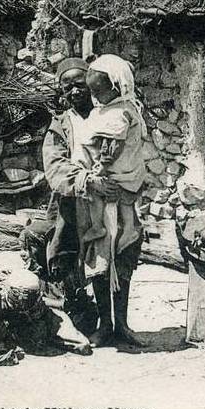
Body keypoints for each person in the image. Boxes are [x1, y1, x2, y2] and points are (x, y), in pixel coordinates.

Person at [34, 57, 116, 337]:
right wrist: (86, 180)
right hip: (73, 201)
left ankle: (112, 323)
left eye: (80, 84)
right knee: (63, 251)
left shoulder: (109, 116)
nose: (74, 91)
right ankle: (78, 306)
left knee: (109, 258)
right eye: (67, 88)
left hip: (109, 199)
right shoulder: (60, 125)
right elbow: (54, 165)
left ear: (91, 84)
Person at [79, 54, 147, 347]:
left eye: (99, 90)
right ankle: (105, 324)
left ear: (118, 86)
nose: (95, 96)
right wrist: (94, 180)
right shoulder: (103, 112)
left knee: (123, 259)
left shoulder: (121, 113)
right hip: (101, 198)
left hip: (123, 196)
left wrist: (104, 173)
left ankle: (121, 324)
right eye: (92, 91)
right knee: (100, 260)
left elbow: (113, 152)